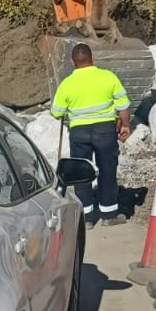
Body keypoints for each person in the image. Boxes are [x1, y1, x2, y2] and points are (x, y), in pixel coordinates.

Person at [49, 44, 131, 226]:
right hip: (105, 131)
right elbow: (123, 105)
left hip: (79, 133)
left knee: (81, 173)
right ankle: (109, 215)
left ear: (72, 62)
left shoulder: (67, 84)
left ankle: (86, 218)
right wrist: (125, 125)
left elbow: (56, 112)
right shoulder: (108, 77)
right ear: (92, 58)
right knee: (107, 170)